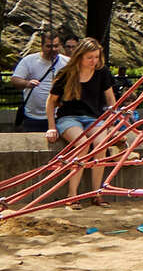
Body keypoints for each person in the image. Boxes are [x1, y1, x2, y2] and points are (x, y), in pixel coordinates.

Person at [47, 38, 120, 203]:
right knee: (82, 145)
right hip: (68, 117)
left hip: (93, 118)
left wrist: (111, 121)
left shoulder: (102, 72)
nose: (94, 61)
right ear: (79, 57)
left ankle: (96, 193)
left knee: (101, 145)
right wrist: (51, 126)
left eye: (96, 57)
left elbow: (111, 99)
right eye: (89, 58)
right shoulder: (66, 73)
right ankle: (72, 195)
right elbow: (51, 102)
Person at [12, 33, 68, 133]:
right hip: (32, 117)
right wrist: (27, 83)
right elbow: (15, 79)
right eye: (49, 46)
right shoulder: (29, 60)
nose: (53, 49)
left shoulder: (67, 62)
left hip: (58, 116)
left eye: (56, 46)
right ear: (41, 46)